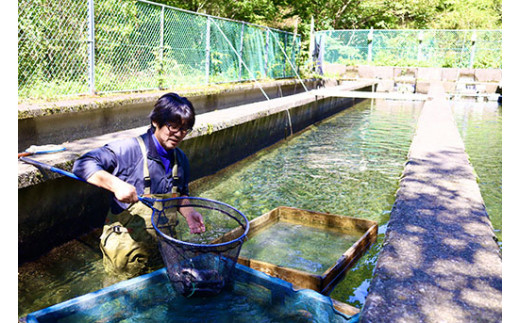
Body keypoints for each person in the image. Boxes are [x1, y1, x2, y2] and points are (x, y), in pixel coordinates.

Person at [73, 92, 205, 278]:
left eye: (184, 129)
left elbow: (181, 194)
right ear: (155, 121)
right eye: (172, 126)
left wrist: (190, 213)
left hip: (163, 248)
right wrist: (116, 184)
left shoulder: (180, 159)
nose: (178, 134)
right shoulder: (128, 150)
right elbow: (82, 164)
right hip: (126, 254)